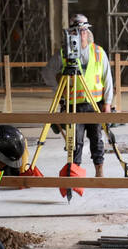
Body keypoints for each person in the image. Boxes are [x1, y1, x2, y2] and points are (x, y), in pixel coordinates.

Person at [44, 13, 116, 177]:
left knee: (97, 140)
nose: (81, 34)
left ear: (87, 32)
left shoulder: (98, 52)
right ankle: (74, 173)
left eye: (84, 30)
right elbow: (47, 72)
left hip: (95, 105)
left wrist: (107, 103)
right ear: (71, 33)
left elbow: (107, 79)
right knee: (74, 143)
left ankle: (99, 171)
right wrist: (59, 92)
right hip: (73, 106)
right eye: (77, 31)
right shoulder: (64, 54)